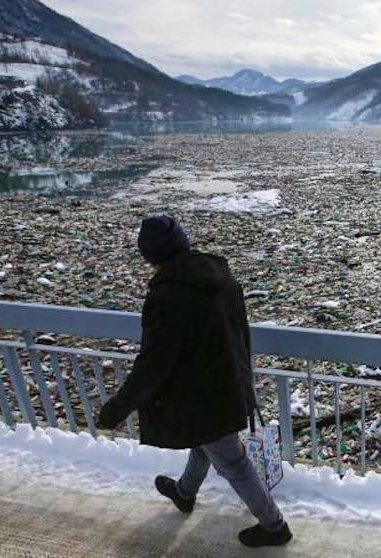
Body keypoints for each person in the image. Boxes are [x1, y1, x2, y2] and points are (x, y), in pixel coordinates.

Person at [96, 216, 292, 548]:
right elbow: (239, 334)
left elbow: (154, 363)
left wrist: (117, 409)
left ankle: (275, 526)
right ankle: (185, 492)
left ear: (151, 256)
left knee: (233, 461)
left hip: (201, 397)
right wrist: (245, 382)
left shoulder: (169, 296)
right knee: (206, 443)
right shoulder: (222, 278)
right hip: (229, 385)